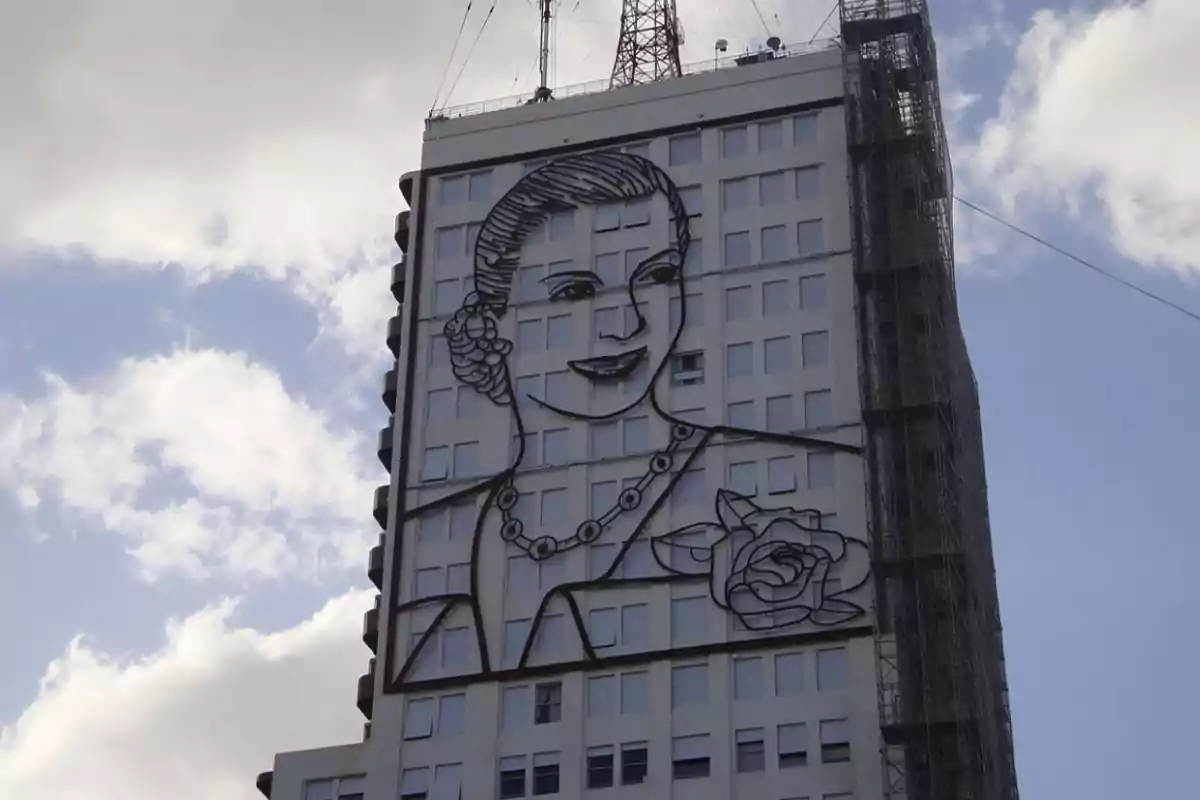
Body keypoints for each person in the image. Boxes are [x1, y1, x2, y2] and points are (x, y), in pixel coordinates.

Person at [394, 150, 867, 685]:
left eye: (660, 275)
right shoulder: (426, 540)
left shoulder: (811, 475)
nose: (628, 322)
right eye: (574, 291)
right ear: (492, 321)